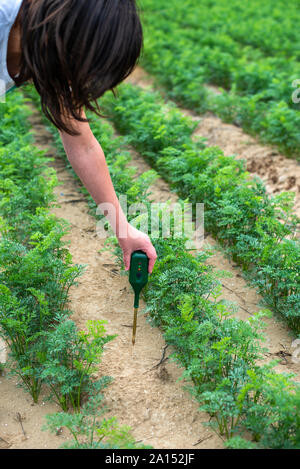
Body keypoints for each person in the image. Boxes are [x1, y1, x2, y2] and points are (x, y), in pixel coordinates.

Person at [0, 0, 157, 273]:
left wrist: (124, 230)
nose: (74, 83)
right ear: (66, 35)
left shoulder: (44, 49)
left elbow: (82, 144)